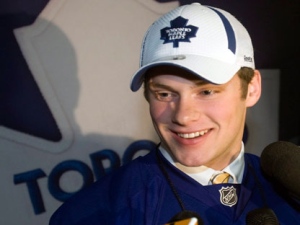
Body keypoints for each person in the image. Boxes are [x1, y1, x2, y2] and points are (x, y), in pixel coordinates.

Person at [49, 3, 300, 224]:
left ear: (252, 88)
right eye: (165, 94)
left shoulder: (290, 189)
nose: (183, 116)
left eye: (207, 92)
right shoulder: (94, 214)